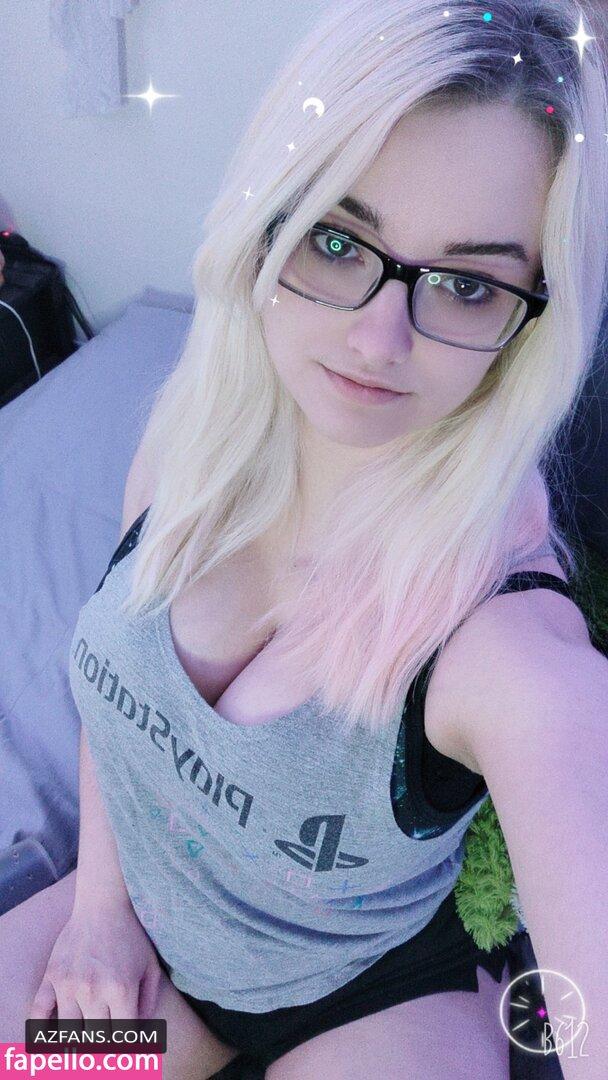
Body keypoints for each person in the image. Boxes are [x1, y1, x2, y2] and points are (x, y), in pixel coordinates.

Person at [2, 1, 607, 1078]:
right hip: (142, 955)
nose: (377, 338)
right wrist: (97, 911)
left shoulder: (513, 657)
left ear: (531, 321)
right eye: (337, 240)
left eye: (467, 284)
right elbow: (109, 695)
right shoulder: (190, 438)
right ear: (265, 217)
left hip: (363, 1007)